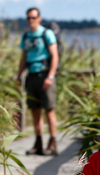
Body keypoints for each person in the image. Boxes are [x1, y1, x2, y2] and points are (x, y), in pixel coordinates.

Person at [16, 7, 59, 156]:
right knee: (35, 111)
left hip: (45, 75)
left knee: (49, 110)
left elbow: (55, 56)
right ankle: (38, 142)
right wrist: (18, 76)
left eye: (33, 17)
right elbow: (23, 58)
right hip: (31, 76)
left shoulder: (46, 34)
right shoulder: (26, 36)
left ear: (39, 18)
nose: (31, 20)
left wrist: (51, 77)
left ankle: (53, 142)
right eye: (29, 18)